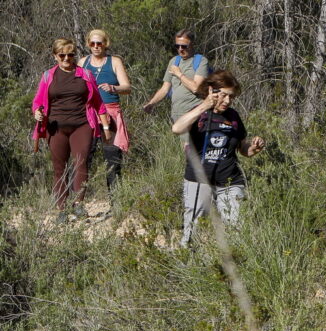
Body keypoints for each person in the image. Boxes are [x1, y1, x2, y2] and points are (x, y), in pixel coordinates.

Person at [171, 70, 265, 246]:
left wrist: (253, 147)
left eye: (231, 97)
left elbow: (243, 149)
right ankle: (187, 261)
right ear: (211, 91)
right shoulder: (199, 112)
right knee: (193, 225)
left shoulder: (234, 116)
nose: (228, 101)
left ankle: (235, 265)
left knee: (237, 226)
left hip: (230, 180)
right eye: (224, 95)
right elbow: (177, 128)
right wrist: (204, 106)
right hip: (199, 179)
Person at [31, 38, 106, 216]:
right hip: (55, 127)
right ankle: (62, 209)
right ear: (55, 56)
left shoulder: (85, 75)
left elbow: (98, 102)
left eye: (70, 55)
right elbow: (38, 101)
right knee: (59, 168)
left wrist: (106, 126)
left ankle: (78, 203)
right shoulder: (48, 76)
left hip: (82, 125)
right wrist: (37, 112)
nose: (66, 58)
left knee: (81, 163)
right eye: (62, 55)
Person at [80, 29, 132, 193]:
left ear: (105, 44)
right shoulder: (83, 63)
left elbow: (127, 87)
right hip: (89, 115)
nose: (96, 47)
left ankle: (115, 202)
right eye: (92, 43)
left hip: (111, 114)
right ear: (88, 44)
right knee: (84, 158)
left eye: (99, 43)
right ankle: (77, 202)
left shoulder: (114, 61)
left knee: (113, 159)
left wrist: (113, 88)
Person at [142, 29, 210, 138]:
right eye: (177, 46)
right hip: (177, 116)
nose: (180, 49)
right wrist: (151, 103)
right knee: (183, 149)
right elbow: (165, 89)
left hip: (196, 114)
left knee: (194, 149)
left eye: (184, 46)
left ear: (192, 44)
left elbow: (196, 88)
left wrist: (179, 74)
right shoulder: (174, 61)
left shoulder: (201, 61)